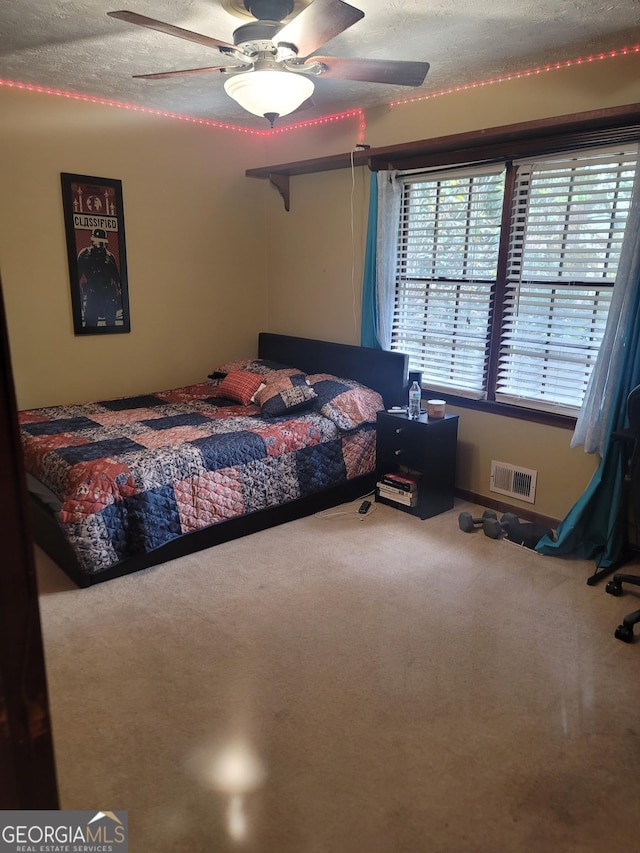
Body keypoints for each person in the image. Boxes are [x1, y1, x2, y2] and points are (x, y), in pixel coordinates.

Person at [77, 228, 122, 327]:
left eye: (102, 242)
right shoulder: (85, 254)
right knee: (90, 325)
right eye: (98, 241)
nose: (100, 244)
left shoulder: (109, 256)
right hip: (92, 294)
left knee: (111, 326)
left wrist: (119, 294)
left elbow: (117, 278)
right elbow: (77, 276)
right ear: (93, 240)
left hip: (107, 295)